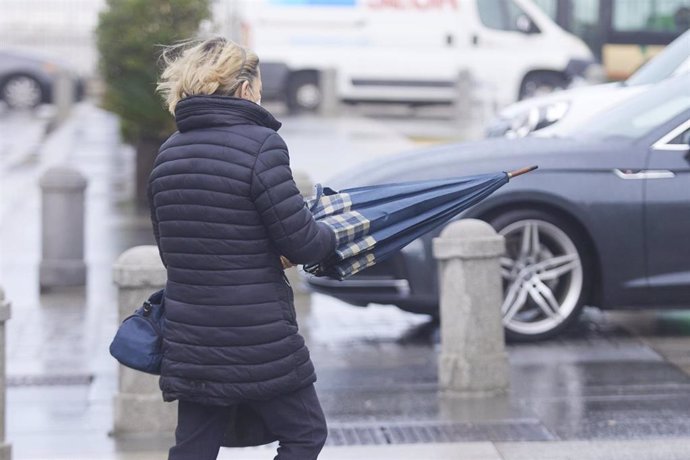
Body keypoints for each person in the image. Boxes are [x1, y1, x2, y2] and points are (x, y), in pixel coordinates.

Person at [150, 36, 336, 460]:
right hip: (257, 334)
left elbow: (171, 248)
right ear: (246, 88)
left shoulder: (168, 153)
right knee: (305, 434)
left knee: (194, 447)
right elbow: (302, 241)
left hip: (191, 334)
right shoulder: (261, 145)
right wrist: (333, 235)